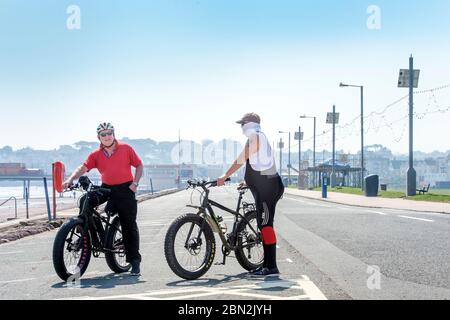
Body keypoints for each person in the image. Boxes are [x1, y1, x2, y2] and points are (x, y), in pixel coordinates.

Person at [62, 122, 144, 276]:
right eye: (103, 134)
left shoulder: (126, 148)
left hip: (126, 188)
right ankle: (89, 231)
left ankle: (134, 261)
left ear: (114, 134)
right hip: (106, 187)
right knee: (85, 201)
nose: (107, 137)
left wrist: (135, 183)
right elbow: (83, 167)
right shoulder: (96, 154)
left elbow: (139, 165)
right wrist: (70, 179)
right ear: (99, 137)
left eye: (109, 133)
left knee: (128, 224)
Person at [217, 113, 284, 276]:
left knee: (266, 226)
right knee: (263, 225)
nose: (241, 127)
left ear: (249, 124)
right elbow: (263, 163)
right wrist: (248, 181)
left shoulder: (256, 136)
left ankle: (271, 267)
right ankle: (266, 265)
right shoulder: (257, 137)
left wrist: (224, 175)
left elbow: (242, 158)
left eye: (242, 123)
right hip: (264, 187)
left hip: (269, 189)